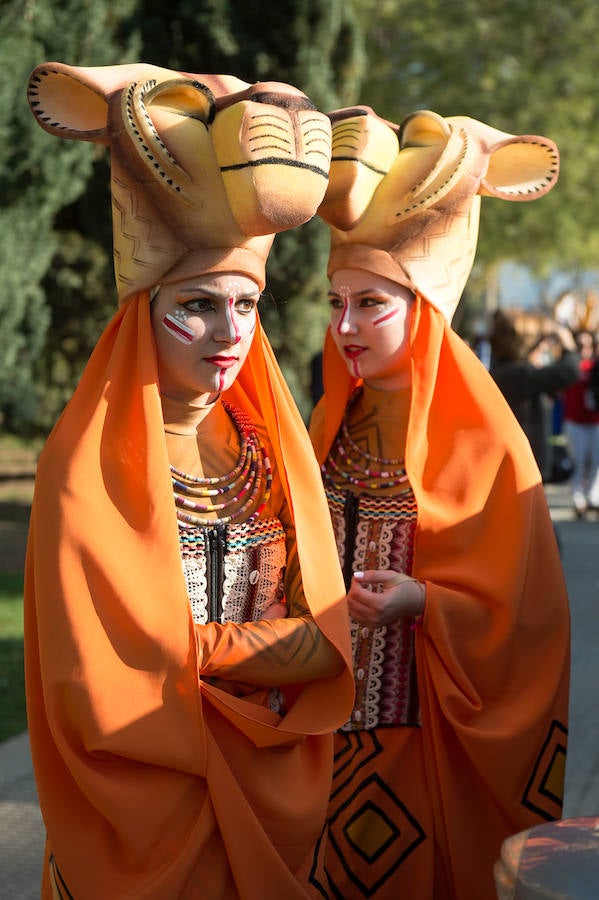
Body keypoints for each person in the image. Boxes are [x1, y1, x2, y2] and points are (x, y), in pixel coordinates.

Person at [24, 62, 353, 900]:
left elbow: (326, 639)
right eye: (198, 304)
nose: (229, 332)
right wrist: (264, 654)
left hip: (272, 784)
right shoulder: (84, 468)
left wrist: (196, 654)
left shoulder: (269, 449)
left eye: (245, 305)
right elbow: (93, 677)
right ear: (145, 314)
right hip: (143, 805)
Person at [309, 106, 571, 900]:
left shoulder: (487, 441)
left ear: (421, 308)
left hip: (426, 743)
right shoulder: (325, 423)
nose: (344, 325)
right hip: (315, 736)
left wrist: (426, 601)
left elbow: (526, 615)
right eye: (335, 301)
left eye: (369, 303)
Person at [488, 309, 579, 482]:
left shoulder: (506, 370)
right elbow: (569, 371)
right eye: (540, 340)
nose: (545, 346)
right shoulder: (517, 373)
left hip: (520, 468)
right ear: (525, 344)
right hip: (522, 471)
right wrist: (568, 344)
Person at [561, 329, 599, 515]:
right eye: (580, 345)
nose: (584, 349)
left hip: (594, 422)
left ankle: (592, 496)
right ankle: (578, 498)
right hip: (574, 421)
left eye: (588, 345)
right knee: (578, 461)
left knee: (595, 461)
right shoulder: (570, 367)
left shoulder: (596, 367)